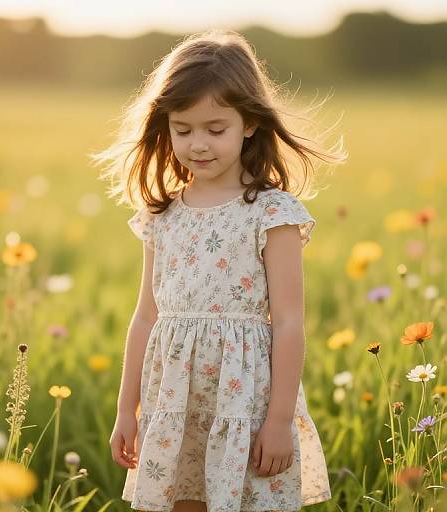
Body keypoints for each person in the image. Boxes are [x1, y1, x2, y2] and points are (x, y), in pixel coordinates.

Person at [92, 28, 347, 512]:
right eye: (183, 129)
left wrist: (277, 422)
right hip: (176, 400)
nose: (198, 144)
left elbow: (289, 321)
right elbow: (145, 316)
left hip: (245, 401)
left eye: (215, 128)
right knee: (182, 500)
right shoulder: (161, 215)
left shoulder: (272, 213)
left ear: (249, 122)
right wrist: (127, 410)